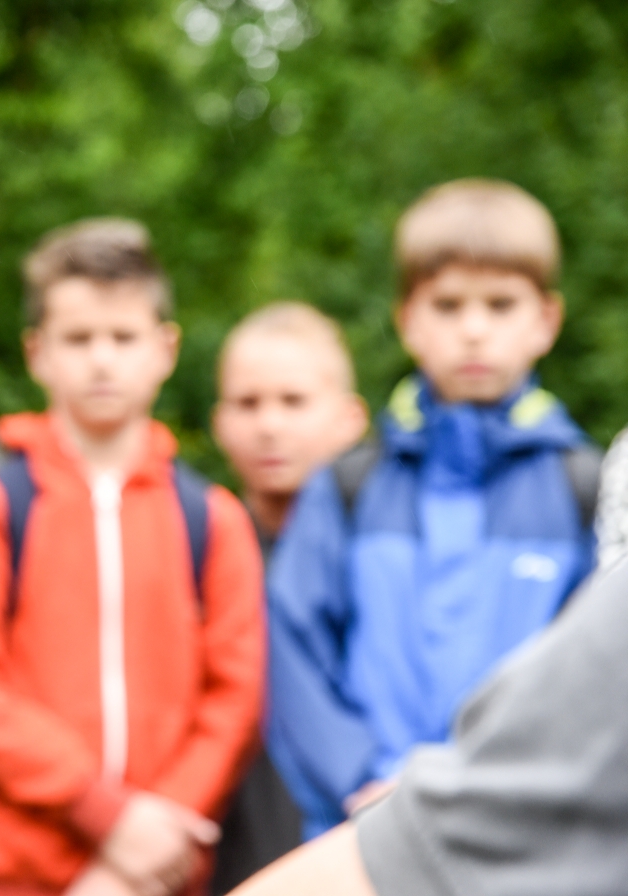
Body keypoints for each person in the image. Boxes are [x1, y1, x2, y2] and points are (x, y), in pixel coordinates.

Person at [0, 218, 265, 896]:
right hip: (5, 873)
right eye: (79, 339)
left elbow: (234, 698)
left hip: (155, 874)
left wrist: (151, 834)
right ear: (39, 352)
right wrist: (103, 813)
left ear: (165, 349)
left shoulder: (215, 519)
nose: (102, 359)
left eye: (124, 337)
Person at [264, 179, 601, 841]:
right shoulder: (351, 485)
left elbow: (598, 682)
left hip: (529, 844)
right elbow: (292, 652)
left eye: (500, 304)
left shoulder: (585, 490)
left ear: (546, 321)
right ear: (408, 319)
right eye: (448, 305)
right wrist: (361, 781)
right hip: (362, 835)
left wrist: (512, 794)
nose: (474, 330)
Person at [230, 543, 628, 896]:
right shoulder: (348, 488)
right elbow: (298, 664)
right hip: (376, 814)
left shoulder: (567, 486)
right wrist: (361, 779)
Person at [208, 303, 368, 891]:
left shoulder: (379, 556)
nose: (269, 425)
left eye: (293, 402)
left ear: (351, 418)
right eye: (248, 404)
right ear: (220, 420)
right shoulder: (201, 546)